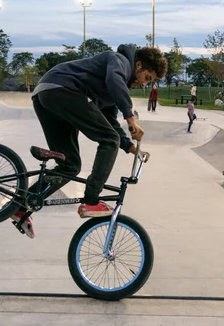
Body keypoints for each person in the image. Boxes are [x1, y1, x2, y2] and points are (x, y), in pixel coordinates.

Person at [12, 44, 167, 239]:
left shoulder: (113, 90)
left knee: (70, 165)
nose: (145, 84)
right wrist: (130, 117)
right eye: (147, 78)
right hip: (64, 89)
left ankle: (19, 206)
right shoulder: (119, 61)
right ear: (138, 65)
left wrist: (131, 148)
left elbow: (110, 123)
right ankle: (92, 200)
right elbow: (114, 79)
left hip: (46, 94)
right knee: (109, 140)